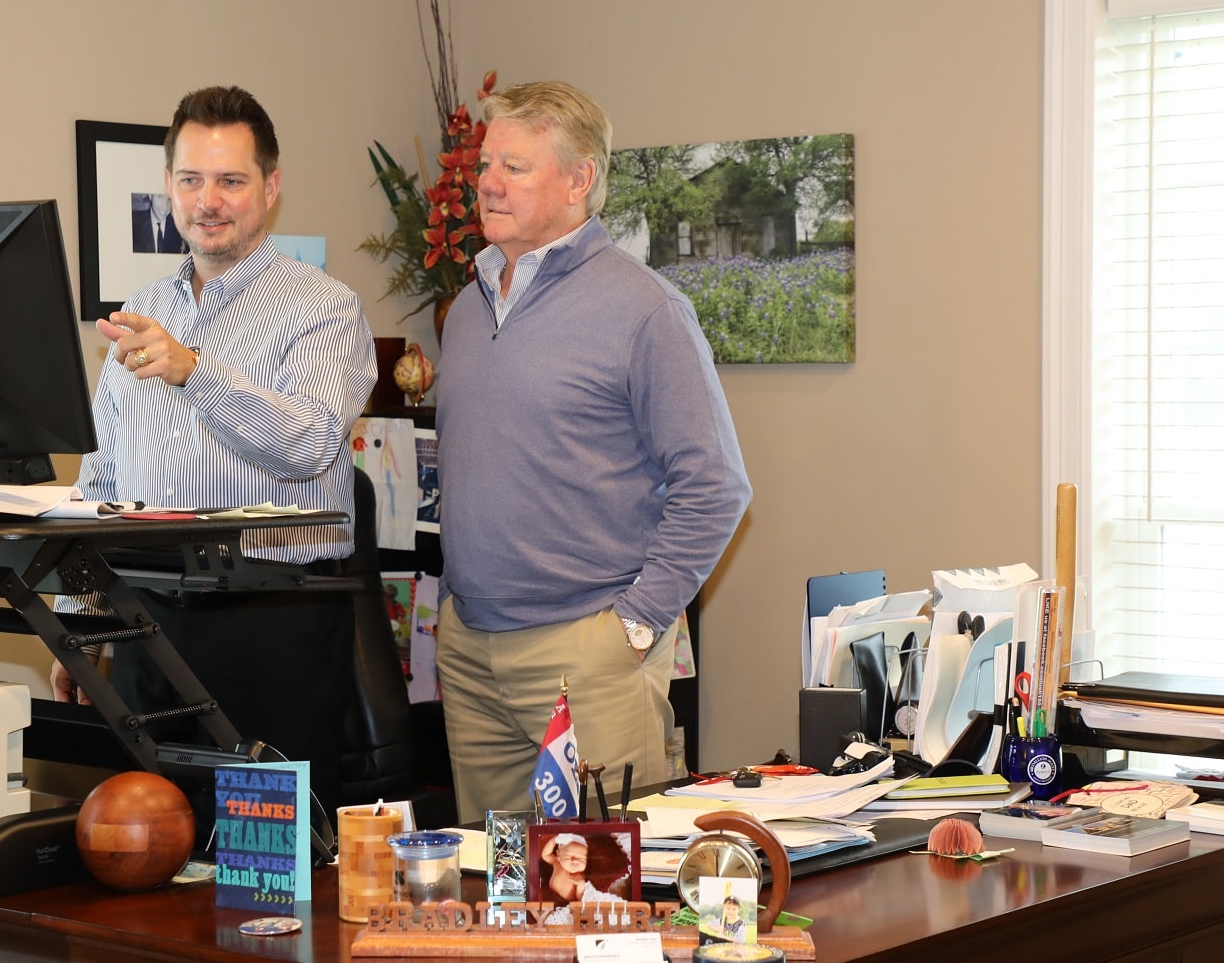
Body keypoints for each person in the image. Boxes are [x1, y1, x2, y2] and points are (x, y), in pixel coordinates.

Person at [49, 85, 377, 812]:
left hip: (268, 624)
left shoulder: (322, 308)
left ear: (271, 187)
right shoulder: (146, 308)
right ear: (168, 186)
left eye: (231, 180)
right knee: (149, 855)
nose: (209, 200)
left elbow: (313, 442)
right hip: (147, 621)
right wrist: (82, 622)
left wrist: (196, 371)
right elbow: (104, 470)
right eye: (191, 179)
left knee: (263, 878)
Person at [435, 80, 752, 823]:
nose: (487, 182)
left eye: (514, 166)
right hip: (472, 650)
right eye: (487, 165)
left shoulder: (645, 310)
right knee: (502, 892)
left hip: (588, 654)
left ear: (579, 181)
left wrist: (635, 626)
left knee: (611, 893)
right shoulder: (466, 307)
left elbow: (717, 484)